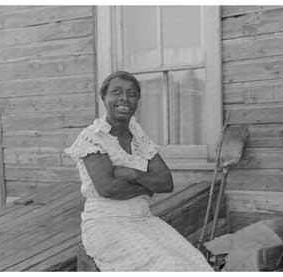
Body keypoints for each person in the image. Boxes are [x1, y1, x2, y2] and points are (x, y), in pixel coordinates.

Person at [65, 71, 213, 271]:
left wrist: (132, 174)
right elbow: (108, 189)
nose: (124, 98)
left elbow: (166, 184)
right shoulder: (93, 137)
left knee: (196, 261)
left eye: (131, 94)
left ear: (137, 101)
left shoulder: (140, 139)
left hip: (143, 219)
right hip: (106, 224)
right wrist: (148, 186)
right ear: (104, 98)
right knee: (168, 265)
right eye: (116, 92)